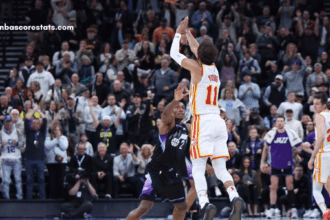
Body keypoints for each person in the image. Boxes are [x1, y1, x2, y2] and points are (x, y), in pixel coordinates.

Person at [170, 17, 242, 220]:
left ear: (199, 56)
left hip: (202, 121)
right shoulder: (215, 70)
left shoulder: (196, 68)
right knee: (220, 168)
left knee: (198, 168)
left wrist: (177, 34)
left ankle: (204, 203)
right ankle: (234, 196)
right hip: (219, 122)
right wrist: (189, 34)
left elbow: (174, 54)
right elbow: (198, 50)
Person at [126, 83, 190, 220]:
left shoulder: (186, 128)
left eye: (183, 108)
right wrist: (176, 100)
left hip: (172, 172)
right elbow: (166, 113)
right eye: (177, 107)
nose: (180, 109)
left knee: (182, 206)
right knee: (144, 207)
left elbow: (200, 128)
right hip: (157, 171)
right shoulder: (166, 125)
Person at [261, 116, 303, 218]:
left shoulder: (289, 133)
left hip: (287, 163)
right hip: (275, 163)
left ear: (284, 122)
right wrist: (262, 162)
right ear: (275, 123)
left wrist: (296, 154)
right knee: (273, 187)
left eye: (281, 121)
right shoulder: (271, 134)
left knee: (290, 186)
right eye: (278, 121)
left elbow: (295, 146)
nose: (279, 123)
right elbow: (265, 148)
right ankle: (272, 208)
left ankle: (292, 209)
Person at [307, 92, 330, 219]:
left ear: (324, 105)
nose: (314, 106)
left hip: (324, 155)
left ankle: (325, 211)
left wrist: (312, 157)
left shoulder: (320, 116)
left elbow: (321, 137)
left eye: (317, 104)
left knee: (316, 188)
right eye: (313, 104)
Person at [24, 104, 47, 199]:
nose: (35, 125)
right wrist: (33, 111)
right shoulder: (28, 132)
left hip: (40, 159)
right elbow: (26, 119)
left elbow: (45, 119)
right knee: (29, 179)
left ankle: (43, 199)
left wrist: (39, 111)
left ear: (40, 125)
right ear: (31, 124)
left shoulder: (42, 132)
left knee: (41, 179)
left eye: (37, 123)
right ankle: (29, 199)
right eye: (33, 123)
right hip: (29, 159)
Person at [0, 115, 24, 200]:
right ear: (4, 123)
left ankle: (19, 197)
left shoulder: (18, 132)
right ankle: (6, 197)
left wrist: (17, 143)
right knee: (5, 180)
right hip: (5, 159)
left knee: (18, 179)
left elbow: (23, 145)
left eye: (9, 121)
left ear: (12, 122)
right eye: (6, 122)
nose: (8, 123)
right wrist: (1, 146)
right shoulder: (0, 133)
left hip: (16, 158)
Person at [45, 124, 68, 199]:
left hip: (61, 162)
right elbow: (47, 146)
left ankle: (60, 197)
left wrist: (59, 139)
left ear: (61, 131)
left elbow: (64, 147)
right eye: (55, 130)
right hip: (51, 162)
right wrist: (56, 140)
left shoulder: (64, 138)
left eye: (58, 130)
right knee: (52, 180)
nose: (57, 131)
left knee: (60, 180)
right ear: (53, 131)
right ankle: (52, 197)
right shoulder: (49, 138)